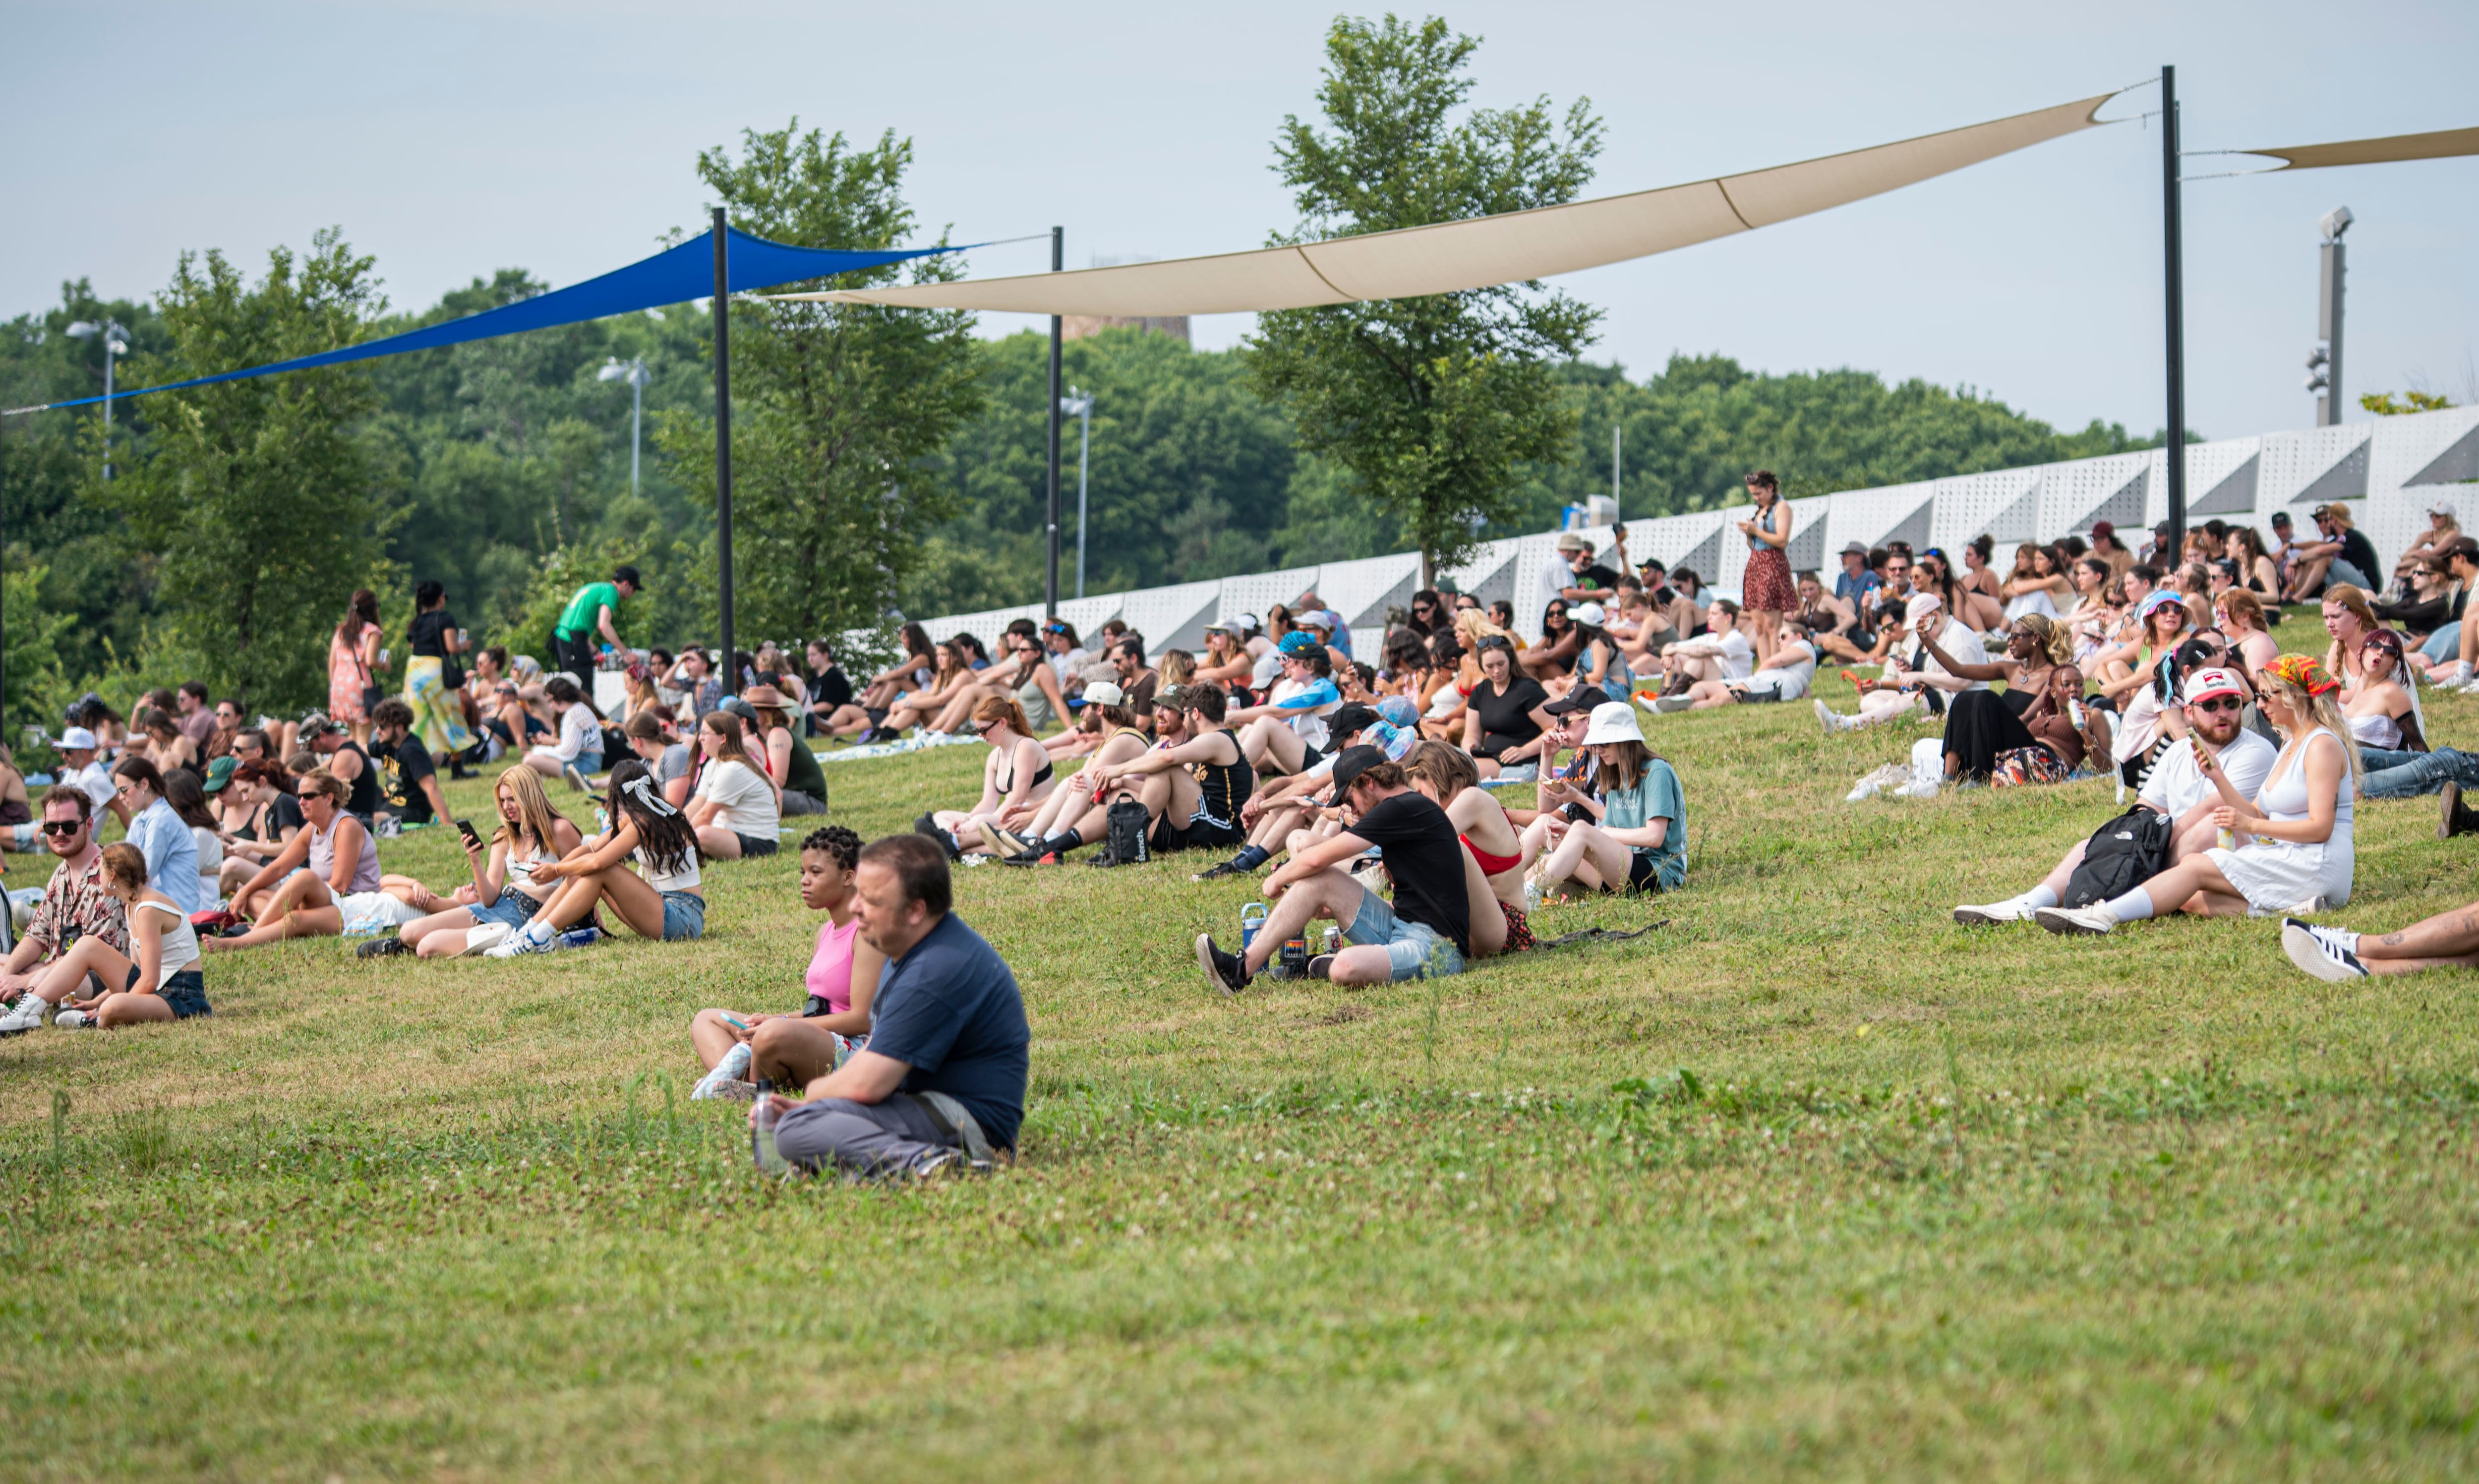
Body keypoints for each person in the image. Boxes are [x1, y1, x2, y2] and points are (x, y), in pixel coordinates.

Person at [758, 833, 1028, 1179]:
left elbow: (869, 1084)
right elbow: (874, 1050)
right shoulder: (909, 951)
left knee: (797, 1129)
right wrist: (820, 1107)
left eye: (871, 900)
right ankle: (867, 1161)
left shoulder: (935, 969)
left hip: (972, 1125)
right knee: (806, 1123)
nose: (855, 907)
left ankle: (928, 1164)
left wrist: (812, 1095)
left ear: (916, 910)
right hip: (926, 1103)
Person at [2036, 656, 2357, 933]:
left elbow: (2320, 829)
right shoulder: (2292, 743)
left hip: (2316, 864)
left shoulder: (2322, 745)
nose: (2258, 705)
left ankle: (2104, 915)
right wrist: (2217, 776)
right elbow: (2257, 812)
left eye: (2267, 696)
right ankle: (2295, 909)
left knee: (2194, 867)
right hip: (2288, 856)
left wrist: (2251, 826)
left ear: (2294, 697)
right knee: (2188, 895)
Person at [1951, 664, 2281, 924]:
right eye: (2211, 705)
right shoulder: (2180, 751)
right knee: (2093, 845)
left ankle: (2107, 903)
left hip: (2226, 855)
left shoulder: (2256, 751)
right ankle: (2032, 901)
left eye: (2231, 703)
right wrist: (2123, 845)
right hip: (2179, 853)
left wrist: (2139, 855)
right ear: (2190, 713)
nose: (2223, 712)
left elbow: (2216, 808)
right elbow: (2145, 808)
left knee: (2209, 825)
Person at [1194, 748, 1504, 992]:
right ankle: (1241, 969)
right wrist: (1337, 906)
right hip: (1401, 926)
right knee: (1321, 882)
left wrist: (1276, 880)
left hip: (1439, 950)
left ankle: (1318, 964)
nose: (1351, 809)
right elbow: (1425, 894)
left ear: (1369, 782)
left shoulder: (1401, 807)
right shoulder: (1407, 809)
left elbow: (1318, 857)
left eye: (1349, 799)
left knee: (1345, 968)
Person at [689, 827, 885, 1101]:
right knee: (708, 1019)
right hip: (814, 1038)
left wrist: (780, 1027)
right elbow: (819, 1010)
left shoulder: (866, 934)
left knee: (771, 1035)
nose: (805, 881)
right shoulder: (825, 932)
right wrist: (775, 1019)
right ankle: (743, 1083)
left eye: (815, 873)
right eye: (803, 873)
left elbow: (861, 1019)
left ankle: (753, 1086)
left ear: (848, 877)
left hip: (853, 1050)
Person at [480, 759, 705, 955]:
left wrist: (557, 870)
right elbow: (591, 849)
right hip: (664, 911)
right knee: (587, 869)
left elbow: (599, 861)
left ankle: (537, 938)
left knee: (602, 869)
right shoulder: (640, 817)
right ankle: (528, 933)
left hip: (683, 920)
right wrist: (564, 865)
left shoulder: (644, 822)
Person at [379, 767, 588, 959]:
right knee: (408, 931)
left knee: (427, 947)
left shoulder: (560, 830)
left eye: (512, 799)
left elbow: (580, 881)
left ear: (529, 797)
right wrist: (475, 859)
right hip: (498, 905)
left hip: (526, 916)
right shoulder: (506, 836)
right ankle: (408, 944)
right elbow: (488, 898)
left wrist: (594, 927)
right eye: (503, 801)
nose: (507, 807)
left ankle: (500, 940)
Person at [0, 842, 208, 1033]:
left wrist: (104, 1007)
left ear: (113, 874)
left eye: (100, 872)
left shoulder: (147, 909)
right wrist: (93, 1003)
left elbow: (149, 980)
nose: (98, 878)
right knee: (87, 945)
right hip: (157, 991)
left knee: (111, 1008)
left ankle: (92, 1020)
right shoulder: (132, 905)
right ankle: (27, 1011)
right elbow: (134, 974)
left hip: (181, 997)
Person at [205, 769, 387, 950]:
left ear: (329, 798)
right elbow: (279, 868)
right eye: (300, 796)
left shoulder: (347, 826)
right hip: (323, 902)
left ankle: (247, 938)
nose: (301, 802)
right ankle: (280, 926)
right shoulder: (312, 828)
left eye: (308, 796)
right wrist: (244, 891)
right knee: (254, 897)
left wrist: (300, 901)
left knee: (303, 881)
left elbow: (340, 886)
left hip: (351, 907)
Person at [0, 787, 131, 1032]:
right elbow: (36, 936)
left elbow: (91, 963)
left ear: (89, 824)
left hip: (98, 981)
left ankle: (25, 1001)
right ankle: (17, 991)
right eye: (52, 828)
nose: (60, 833)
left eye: (69, 827)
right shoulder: (61, 873)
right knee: (7, 963)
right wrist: (8, 974)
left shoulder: (109, 878)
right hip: (55, 968)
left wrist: (23, 979)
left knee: (40, 975)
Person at [1075, 685, 1255, 858]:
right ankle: (1066, 843)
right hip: (1210, 822)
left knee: (1168, 767)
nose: (1184, 721)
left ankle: (1129, 843)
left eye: (1184, 714)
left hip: (1223, 830)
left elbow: (1167, 759)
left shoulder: (1216, 740)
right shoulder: (1215, 741)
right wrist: (1124, 781)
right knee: (1123, 795)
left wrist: (1118, 770)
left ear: (1195, 714)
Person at [1530, 702, 1687, 897]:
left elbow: (1654, 837)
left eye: (1604, 743)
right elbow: (1609, 833)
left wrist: (1594, 833)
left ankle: (1531, 893)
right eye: (1596, 744)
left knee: (1579, 829)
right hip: (1621, 867)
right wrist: (1575, 834)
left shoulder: (1657, 772)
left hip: (1657, 874)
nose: (1598, 750)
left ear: (1625, 740)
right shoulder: (1615, 773)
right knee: (1546, 826)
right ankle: (1510, 888)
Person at [926, 696, 1057, 859]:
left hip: (1031, 818)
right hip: (1007, 816)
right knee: (941, 816)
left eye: (984, 730)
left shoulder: (1026, 747)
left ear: (1003, 723)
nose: (981, 735)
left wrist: (977, 822)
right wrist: (967, 819)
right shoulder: (995, 756)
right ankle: (951, 840)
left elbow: (1017, 799)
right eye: (978, 731)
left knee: (979, 822)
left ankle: (948, 842)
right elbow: (988, 803)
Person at [1228, 632, 1343, 778]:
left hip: (1324, 762)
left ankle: (1230, 776)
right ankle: (1223, 762)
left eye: (1294, 661)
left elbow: (1277, 712)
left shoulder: (1322, 689)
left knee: (1265, 722)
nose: (1287, 664)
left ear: (1310, 667)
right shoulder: (1313, 688)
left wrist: (1231, 716)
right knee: (1260, 722)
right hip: (1312, 757)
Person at [108, 757, 204, 915]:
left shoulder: (162, 820)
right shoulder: (141, 820)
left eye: (124, 790)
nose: (121, 797)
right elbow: (125, 864)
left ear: (144, 784)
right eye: (118, 791)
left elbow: (143, 875)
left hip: (179, 913)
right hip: (159, 907)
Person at [686, 710, 782, 860]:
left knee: (702, 834)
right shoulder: (714, 764)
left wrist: (676, 839)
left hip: (759, 842)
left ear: (723, 738)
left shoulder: (733, 769)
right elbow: (697, 804)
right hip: (730, 834)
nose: (700, 739)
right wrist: (673, 827)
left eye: (705, 733)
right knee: (699, 833)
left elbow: (706, 815)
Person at [403, 579, 476, 772]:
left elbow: (413, 646)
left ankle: (416, 769)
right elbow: (451, 647)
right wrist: (465, 646)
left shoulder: (415, 622)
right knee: (450, 717)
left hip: (415, 671)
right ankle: (457, 769)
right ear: (441, 598)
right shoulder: (446, 618)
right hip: (435, 672)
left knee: (418, 720)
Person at [1672, 618, 1819, 710]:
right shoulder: (1797, 658)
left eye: (1784, 636)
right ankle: (1682, 700)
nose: (1780, 640)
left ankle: (1683, 709)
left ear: (1799, 636)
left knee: (1723, 699)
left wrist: (1755, 676)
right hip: (1759, 681)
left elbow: (1773, 662)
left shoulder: (1805, 645)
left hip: (1771, 684)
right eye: (1779, 638)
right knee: (1702, 687)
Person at [1459, 636, 1552, 779]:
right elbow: (1472, 735)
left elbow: (1555, 727)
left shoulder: (1526, 689)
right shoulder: (1480, 691)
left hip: (1520, 761)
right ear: (1482, 666)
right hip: (1491, 757)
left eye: (1501, 664)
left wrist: (1525, 751)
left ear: (1510, 660)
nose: (1496, 671)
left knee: (1459, 773)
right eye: (1490, 667)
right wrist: (1469, 746)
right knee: (1449, 765)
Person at [740, 684, 829, 816]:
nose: (747, 717)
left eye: (752, 711)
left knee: (748, 799)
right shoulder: (763, 736)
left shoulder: (778, 734)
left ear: (768, 712)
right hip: (794, 796)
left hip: (812, 802)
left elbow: (778, 781)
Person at [362, 698, 449, 830]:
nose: (378, 731)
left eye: (383, 727)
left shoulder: (411, 751)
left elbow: (432, 788)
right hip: (389, 801)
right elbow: (354, 752)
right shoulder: (386, 744)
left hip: (411, 810)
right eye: (377, 726)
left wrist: (447, 823)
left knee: (365, 821)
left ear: (399, 728)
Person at [1736, 469, 1795, 654]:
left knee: (1772, 626)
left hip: (1772, 565)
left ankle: (1777, 665)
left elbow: (1782, 540)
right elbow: (1755, 544)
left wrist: (1757, 532)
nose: (1756, 498)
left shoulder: (1782, 507)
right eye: (1753, 495)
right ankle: (1765, 668)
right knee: (1759, 626)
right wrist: (1749, 535)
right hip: (1755, 565)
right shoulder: (1761, 511)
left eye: (1759, 494)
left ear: (1770, 488)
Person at [553, 564, 642, 683]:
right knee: (583, 686)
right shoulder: (611, 592)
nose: (634, 593)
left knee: (570, 685)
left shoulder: (596, 588)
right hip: (572, 640)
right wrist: (625, 653)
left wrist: (595, 652)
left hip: (563, 638)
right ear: (626, 584)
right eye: (634, 589)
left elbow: (577, 628)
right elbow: (604, 625)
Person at [521, 675, 603, 792]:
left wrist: (539, 751)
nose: (551, 706)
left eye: (551, 700)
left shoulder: (574, 713)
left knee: (529, 760)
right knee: (533, 758)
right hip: (588, 762)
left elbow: (568, 752)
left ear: (559, 697)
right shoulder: (578, 709)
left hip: (585, 764)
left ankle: (527, 787)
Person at [2284, 504, 2380, 601]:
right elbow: (2316, 550)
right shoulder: (2337, 540)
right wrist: (2294, 563)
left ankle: (2297, 599)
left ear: (2334, 520)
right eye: (2320, 521)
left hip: (2367, 587)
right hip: (2351, 586)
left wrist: (2297, 560)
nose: (2325, 524)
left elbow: (2321, 551)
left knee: (2325, 559)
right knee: (2311, 561)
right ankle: (2288, 597)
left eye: (2327, 520)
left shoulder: (2351, 536)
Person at [300, 711, 382, 824]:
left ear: (322, 736)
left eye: (311, 745)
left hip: (356, 822)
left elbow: (333, 800)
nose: (313, 750)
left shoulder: (344, 757)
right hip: (355, 820)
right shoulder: (345, 752)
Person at [329, 588, 386, 746]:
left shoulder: (342, 629)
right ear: (373, 608)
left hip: (339, 686)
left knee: (352, 734)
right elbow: (370, 660)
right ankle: (359, 768)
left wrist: (333, 685)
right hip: (359, 685)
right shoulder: (372, 631)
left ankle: (347, 765)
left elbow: (332, 662)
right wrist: (384, 665)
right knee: (363, 736)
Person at [1554, 533, 1623, 604]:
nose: (1588, 562)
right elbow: (1567, 594)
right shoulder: (1568, 574)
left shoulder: (1599, 571)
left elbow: (1626, 580)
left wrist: (1624, 559)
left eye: (1591, 559)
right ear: (1577, 555)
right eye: (1585, 558)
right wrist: (1599, 594)